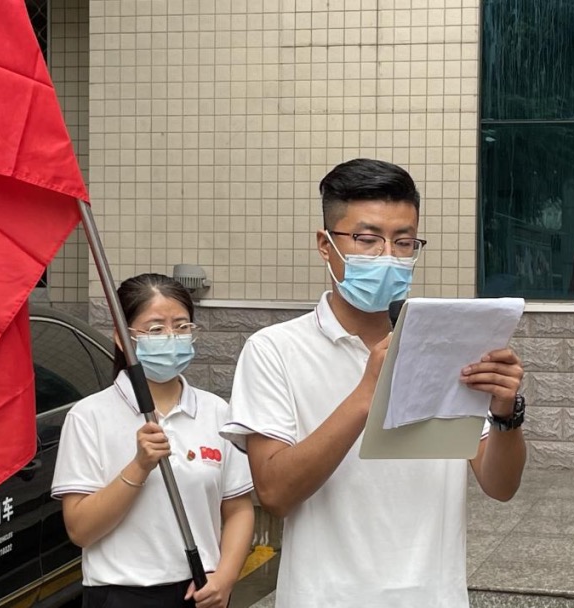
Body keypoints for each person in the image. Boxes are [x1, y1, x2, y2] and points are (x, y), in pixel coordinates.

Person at [221, 159, 528, 607]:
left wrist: (505, 414)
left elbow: (500, 486)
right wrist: (367, 395)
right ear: (326, 245)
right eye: (367, 240)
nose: (388, 257)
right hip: (323, 598)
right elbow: (274, 493)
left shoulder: (448, 344)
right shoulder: (275, 350)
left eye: (404, 242)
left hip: (434, 596)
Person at [51, 273, 254, 608]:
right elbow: (80, 530)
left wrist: (226, 577)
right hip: (120, 594)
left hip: (201, 592)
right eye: (156, 329)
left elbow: (238, 509)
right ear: (123, 338)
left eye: (182, 326)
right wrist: (139, 466)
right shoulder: (88, 417)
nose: (171, 337)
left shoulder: (216, 411)